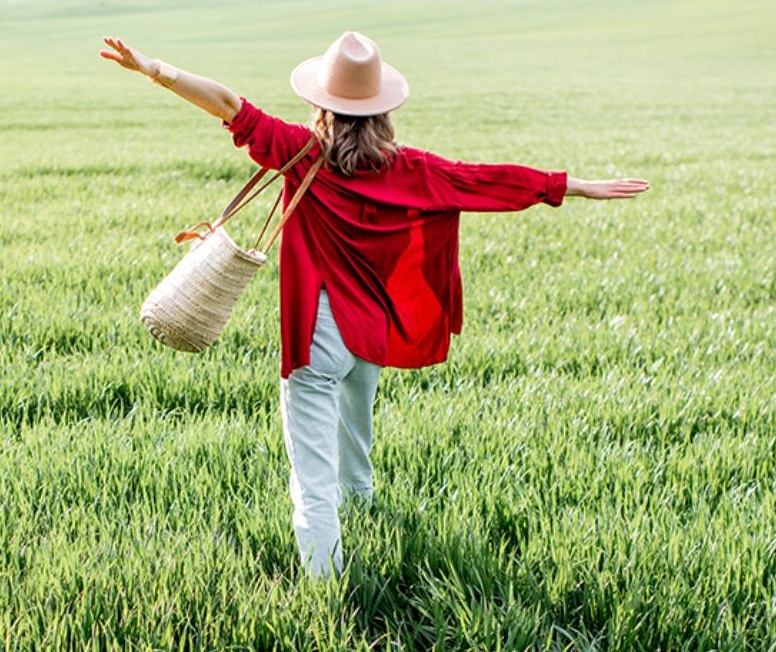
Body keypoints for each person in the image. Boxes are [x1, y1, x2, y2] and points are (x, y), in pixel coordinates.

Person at [100, 31, 648, 579]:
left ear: (320, 104)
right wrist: (574, 186)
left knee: (313, 480)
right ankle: (362, 511)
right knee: (355, 436)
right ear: (383, 112)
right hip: (371, 333)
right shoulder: (415, 169)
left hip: (317, 336)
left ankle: (327, 590)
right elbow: (488, 180)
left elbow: (227, 105)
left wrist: (153, 69)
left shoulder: (300, 152)